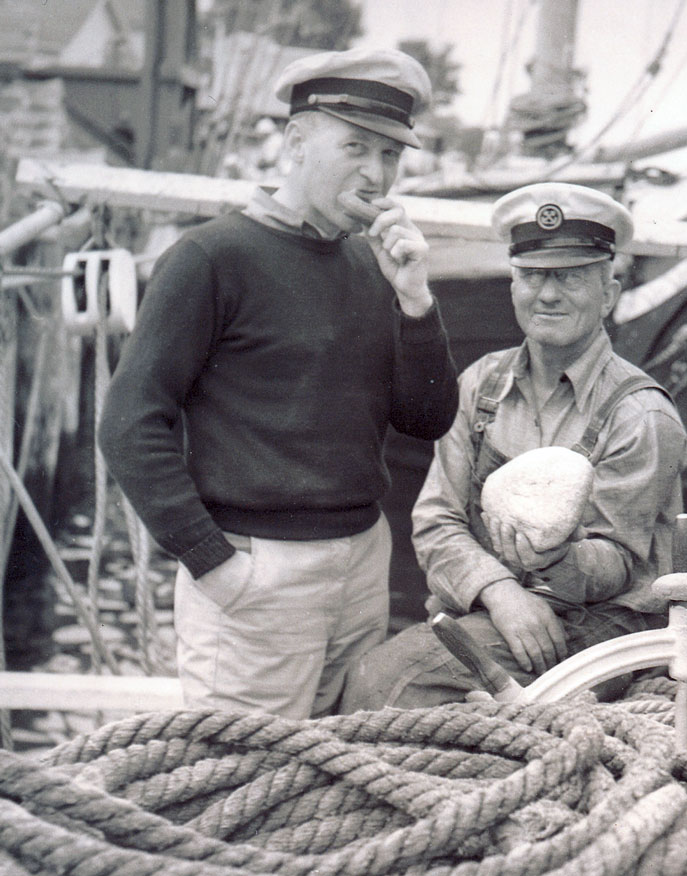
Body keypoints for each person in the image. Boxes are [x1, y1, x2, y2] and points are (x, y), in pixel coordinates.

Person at [99, 47, 459, 718]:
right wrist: (215, 565)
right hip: (257, 572)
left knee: (325, 791)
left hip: (360, 562)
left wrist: (415, 301)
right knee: (242, 796)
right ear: (296, 142)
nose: (376, 173)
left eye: (390, 155)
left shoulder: (370, 262)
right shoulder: (211, 257)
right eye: (356, 146)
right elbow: (128, 422)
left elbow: (425, 419)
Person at [339, 183, 687, 710]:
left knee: (393, 683)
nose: (547, 295)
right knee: (375, 677)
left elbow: (617, 562)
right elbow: (437, 521)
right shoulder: (482, 385)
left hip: (601, 634)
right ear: (512, 285)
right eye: (531, 276)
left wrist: (554, 559)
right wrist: (501, 593)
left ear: (608, 295)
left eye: (569, 277)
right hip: (496, 611)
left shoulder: (641, 415)